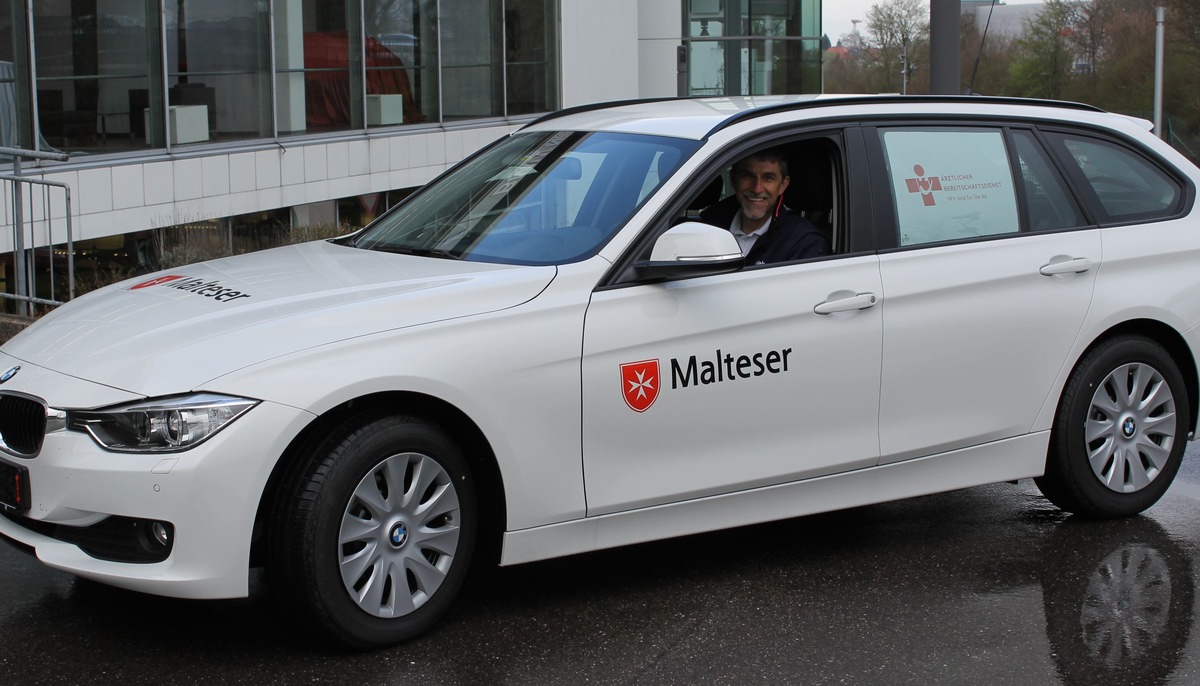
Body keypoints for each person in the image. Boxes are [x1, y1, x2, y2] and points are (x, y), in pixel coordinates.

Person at [699, 149, 830, 265]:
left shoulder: (803, 243)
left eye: (768, 178)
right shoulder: (706, 227)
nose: (757, 188)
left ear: (783, 185)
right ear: (733, 180)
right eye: (748, 176)